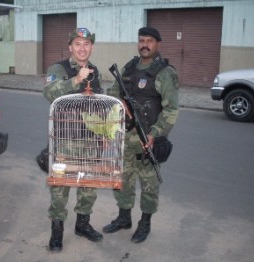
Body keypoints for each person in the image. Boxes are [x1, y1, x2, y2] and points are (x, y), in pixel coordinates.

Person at [103, 26, 179, 243]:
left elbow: (172, 110)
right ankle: (123, 218)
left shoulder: (165, 73)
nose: (144, 44)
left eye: (149, 41)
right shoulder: (128, 68)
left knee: (149, 185)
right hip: (125, 136)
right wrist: (121, 105)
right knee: (123, 180)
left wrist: (155, 133)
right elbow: (113, 93)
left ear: (158, 44)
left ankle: (145, 223)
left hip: (148, 140)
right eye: (141, 40)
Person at [43, 28, 104, 252]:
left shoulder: (95, 71)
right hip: (65, 141)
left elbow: (98, 105)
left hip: (90, 142)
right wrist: (76, 79)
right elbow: (49, 93)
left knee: (88, 186)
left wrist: (103, 134)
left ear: (92, 48)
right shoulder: (58, 69)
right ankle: (57, 232)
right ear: (70, 47)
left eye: (86, 44)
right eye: (77, 44)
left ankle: (82, 225)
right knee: (60, 189)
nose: (82, 48)